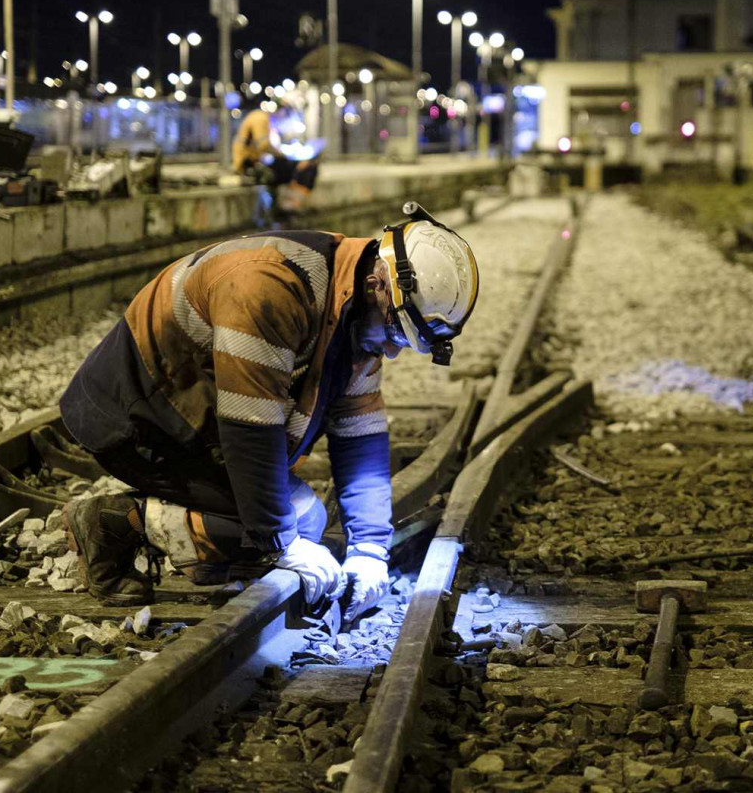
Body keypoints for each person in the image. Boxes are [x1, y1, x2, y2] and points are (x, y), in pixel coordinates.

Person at [57, 203, 479, 616]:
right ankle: (117, 522)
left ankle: (208, 525)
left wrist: (369, 547)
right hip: (135, 418)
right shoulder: (267, 289)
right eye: (396, 333)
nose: (391, 349)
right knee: (291, 527)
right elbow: (250, 432)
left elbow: (361, 434)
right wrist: (283, 543)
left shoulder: (357, 307)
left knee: (297, 519)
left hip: (194, 415)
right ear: (378, 285)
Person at [232, 102, 319, 223]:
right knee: (306, 166)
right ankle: (290, 204)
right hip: (249, 164)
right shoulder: (260, 118)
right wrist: (283, 153)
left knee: (309, 164)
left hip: (258, 161)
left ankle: (292, 203)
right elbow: (264, 145)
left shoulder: (266, 121)